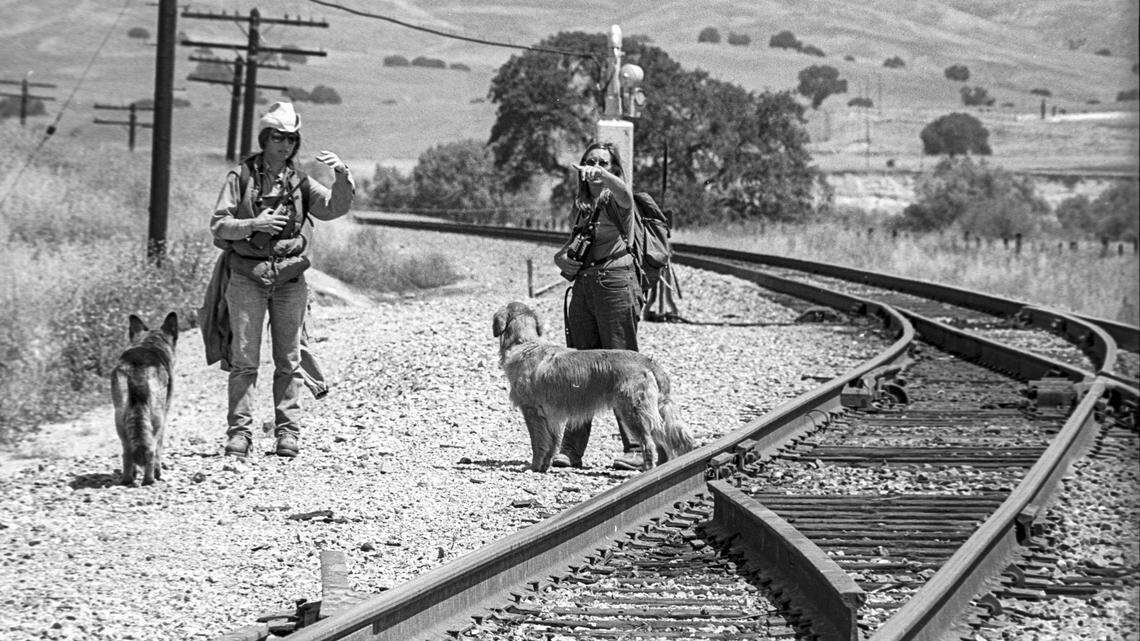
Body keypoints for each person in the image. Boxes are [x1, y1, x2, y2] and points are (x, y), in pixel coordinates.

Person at [208, 101, 355, 458]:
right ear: (265, 138)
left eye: (292, 139)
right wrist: (254, 225)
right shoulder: (240, 177)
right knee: (245, 360)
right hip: (246, 277)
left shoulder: (301, 183)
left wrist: (342, 176)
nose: (286, 145)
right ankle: (239, 435)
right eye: (279, 137)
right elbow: (218, 224)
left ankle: (287, 433)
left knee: (288, 361)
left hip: (290, 280)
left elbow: (333, 208)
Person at [553, 141, 646, 471]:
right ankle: (571, 450)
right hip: (585, 287)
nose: (594, 167)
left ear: (614, 168)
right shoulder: (581, 204)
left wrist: (605, 176)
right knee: (579, 368)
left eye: (603, 162)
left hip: (615, 284)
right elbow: (571, 247)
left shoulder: (616, 199)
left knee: (621, 365)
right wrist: (562, 259)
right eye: (589, 162)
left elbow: (626, 193)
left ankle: (636, 448)